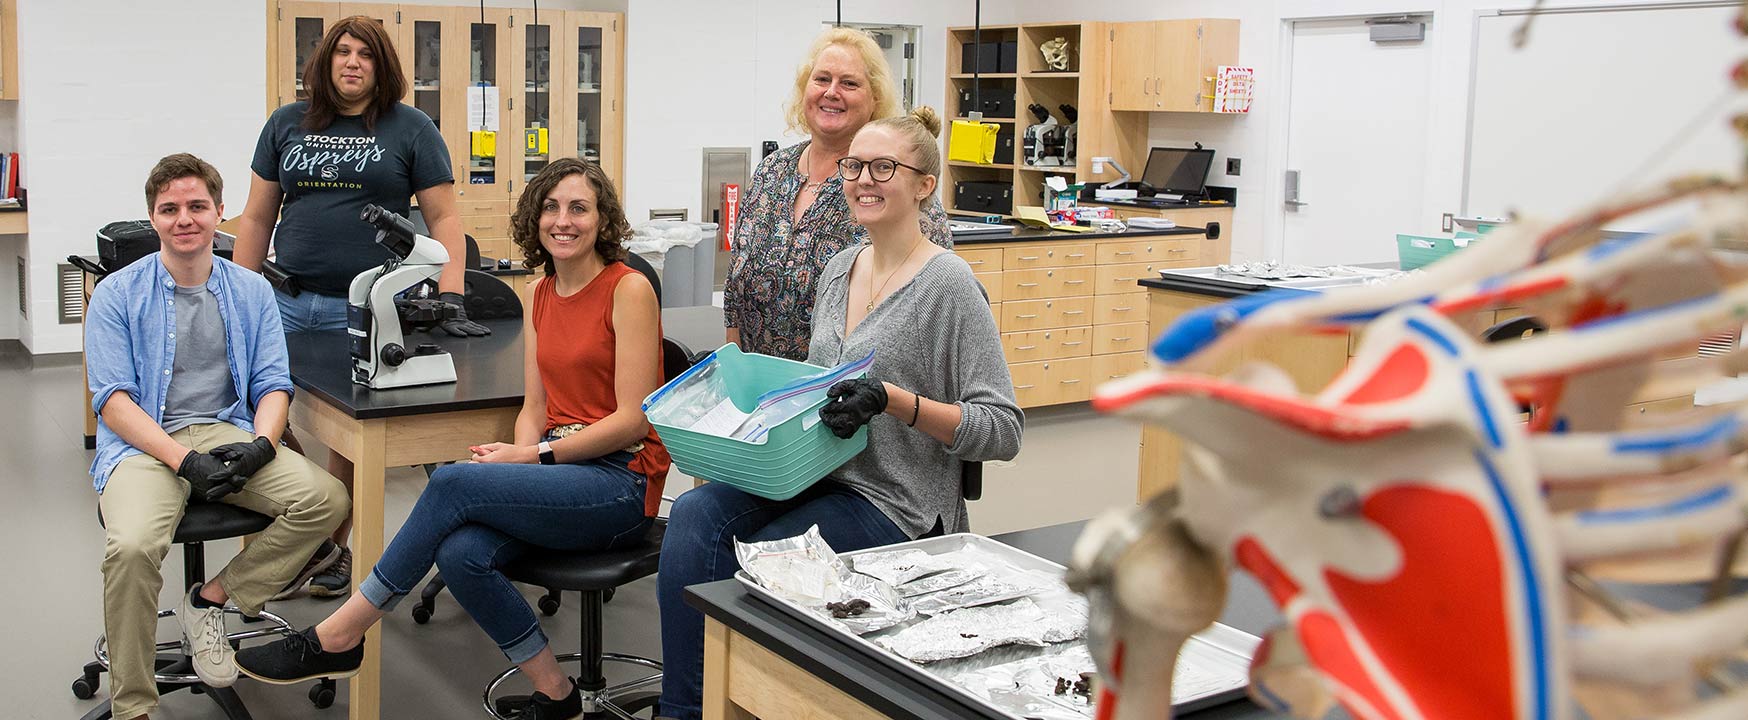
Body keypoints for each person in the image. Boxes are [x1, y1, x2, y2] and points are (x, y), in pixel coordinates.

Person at [236, 158, 670, 720]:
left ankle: (341, 634)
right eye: (551, 207)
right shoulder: (541, 292)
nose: (563, 221)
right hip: (561, 470)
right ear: (535, 218)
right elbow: (534, 408)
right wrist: (524, 460)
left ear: (603, 220)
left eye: (579, 208)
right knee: (461, 553)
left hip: (621, 482)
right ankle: (558, 696)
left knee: (455, 483)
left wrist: (531, 456)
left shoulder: (628, 289)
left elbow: (634, 419)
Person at [656, 107, 1023, 720]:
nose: (864, 180)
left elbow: (1003, 430)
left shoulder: (950, 285)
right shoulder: (838, 270)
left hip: (895, 503)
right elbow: (818, 382)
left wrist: (895, 401)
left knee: (763, 561)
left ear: (923, 185)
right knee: (694, 516)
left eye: (885, 167)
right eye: (855, 166)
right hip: (812, 476)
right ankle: (685, 709)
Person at [85, 153, 350, 720]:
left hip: (227, 431)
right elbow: (112, 400)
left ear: (219, 212)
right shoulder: (115, 294)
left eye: (197, 206)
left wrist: (263, 444)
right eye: (170, 209)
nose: (185, 218)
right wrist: (182, 461)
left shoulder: (252, 290)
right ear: (152, 218)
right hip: (145, 444)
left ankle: (211, 600)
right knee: (132, 548)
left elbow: (273, 382)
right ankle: (133, 705)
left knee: (326, 499)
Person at [234, 15, 485, 597]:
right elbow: (255, 217)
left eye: (364, 54)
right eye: (341, 52)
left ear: (381, 66)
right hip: (285, 299)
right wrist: (239, 296)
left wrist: (451, 290)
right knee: (259, 411)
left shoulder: (410, 127)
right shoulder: (286, 124)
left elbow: (444, 218)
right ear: (324, 62)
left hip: (369, 307)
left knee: (348, 432)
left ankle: (335, 548)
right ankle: (306, 527)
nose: (351, 62)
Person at [723, 27, 954, 362]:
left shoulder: (889, 185)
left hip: (854, 398)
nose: (832, 92)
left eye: (849, 83)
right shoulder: (772, 171)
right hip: (762, 390)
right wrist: (735, 369)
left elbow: (935, 302)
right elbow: (735, 287)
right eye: (822, 80)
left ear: (875, 98)